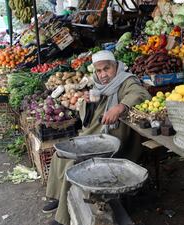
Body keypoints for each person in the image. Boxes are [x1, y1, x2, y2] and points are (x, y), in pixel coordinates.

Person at [43, 50, 151, 225]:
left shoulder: (127, 81)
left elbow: (140, 94)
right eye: (99, 71)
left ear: (115, 66)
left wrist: (120, 107)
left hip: (118, 140)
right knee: (60, 155)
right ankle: (58, 197)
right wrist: (87, 102)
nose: (103, 75)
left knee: (74, 165)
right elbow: (88, 119)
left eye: (107, 69)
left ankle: (62, 218)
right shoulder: (98, 85)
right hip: (97, 136)